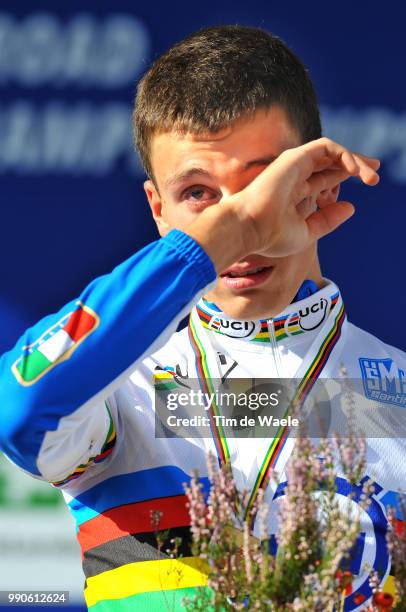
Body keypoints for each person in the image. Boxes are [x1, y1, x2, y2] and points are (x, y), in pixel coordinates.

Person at [0, 25, 403, 611]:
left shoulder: (398, 387)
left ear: (316, 182)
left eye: (262, 183)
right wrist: (213, 243)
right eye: (199, 194)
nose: (246, 224)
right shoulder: (118, 393)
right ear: (157, 211)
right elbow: (20, 407)